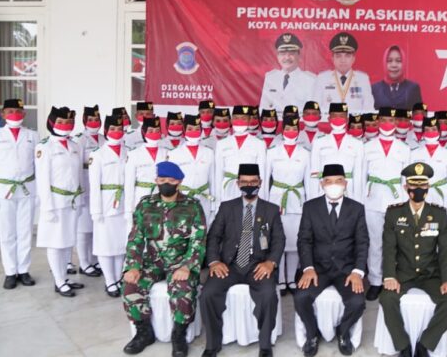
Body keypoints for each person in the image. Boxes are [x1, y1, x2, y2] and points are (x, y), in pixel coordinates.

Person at [122, 161, 207, 357]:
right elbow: (135, 238)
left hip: (180, 262)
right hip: (152, 261)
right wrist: (133, 266)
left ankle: (179, 335)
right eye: (161, 180)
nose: (165, 183)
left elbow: (198, 240)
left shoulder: (192, 206)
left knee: (184, 288)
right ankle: (144, 332)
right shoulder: (145, 204)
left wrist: (187, 266)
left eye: (170, 180)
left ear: (179, 182)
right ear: (156, 181)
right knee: (130, 285)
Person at [201, 163, 284, 357]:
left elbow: (279, 240)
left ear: (260, 183)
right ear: (238, 183)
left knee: (268, 295)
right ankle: (212, 344)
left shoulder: (271, 210)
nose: (249, 185)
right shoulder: (226, 207)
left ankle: (265, 345)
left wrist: (270, 262)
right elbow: (213, 237)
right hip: (229, 266)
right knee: (208, 294)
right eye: (244, 182)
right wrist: (214, 262)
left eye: (253, 182)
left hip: (258, 265)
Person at [379, 162, 447, 357]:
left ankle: (425, 344)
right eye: (413, 185)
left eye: (422, 185)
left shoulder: (439, 214)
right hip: (403, 273)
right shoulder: (394, 213)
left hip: (430, 274)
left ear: (428, 187)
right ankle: (403, 345)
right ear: (406, 187)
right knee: (387, 298)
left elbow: (445, 250)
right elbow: (389, 248)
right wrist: (389, 276)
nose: (418, 190)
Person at [295, 164, 369, 357]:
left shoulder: (357, 208)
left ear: (345, 183)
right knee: (301, 297)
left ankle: (343, 333)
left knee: (357, 301)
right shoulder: (310, 207)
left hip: (346, 270)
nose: (334, 185)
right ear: (322, 184)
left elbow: (362, 242)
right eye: (328, 181)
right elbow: (304, 240)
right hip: (318, 269)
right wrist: (308, 268)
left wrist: (357, 272)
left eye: (338, 181)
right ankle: (312, 334)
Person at [0, 98, 38, 289]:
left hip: (27, 189)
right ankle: (10, 272)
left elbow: (38, 166)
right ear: (3, 114)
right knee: (7, 234)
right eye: (10, 111)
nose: (15, 114)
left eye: (18, 111)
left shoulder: (32, 135)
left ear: (24, 114)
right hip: (3, 191)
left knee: (25, 232)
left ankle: (24, 270)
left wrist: (39, 193)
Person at [35, 106, 86, 297]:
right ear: (51, 123)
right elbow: (43, 179)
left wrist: (80, 199)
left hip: (72, 201)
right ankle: (58, 281)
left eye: (69, 122)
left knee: (67, 241)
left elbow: (79, 175)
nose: (65, 125)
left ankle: (64, 277)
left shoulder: (75, 146)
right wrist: (47, 207)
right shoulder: (45, 147)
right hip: (55, 202)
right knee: (55, 242)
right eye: (61, 122)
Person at [362, 107, 411, 300]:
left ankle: (393, 278)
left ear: (396, 122)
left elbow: (406, 179)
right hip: (372, 200)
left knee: (397, 243)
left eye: (391, 120)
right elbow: (361, 176)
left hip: (396, 200)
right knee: (375, 243)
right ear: (378, 121)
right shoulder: (367, 147)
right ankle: (375, 281)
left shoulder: (404, 148)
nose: (387, 124)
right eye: (383, 120)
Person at [263, 116, 311, 294]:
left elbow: (309, 181)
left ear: (298, 131)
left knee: (295, 241)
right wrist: (264, 204)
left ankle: (291, 278)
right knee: (278, 240)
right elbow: (265, 179)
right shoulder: (272, 152)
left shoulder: (305, 153)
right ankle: (281, 279)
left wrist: (310, 205)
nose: (291, 132)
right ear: (282, 131)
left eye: (294, 129)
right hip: (277, 200)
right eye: (288, 129)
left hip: (297, 201)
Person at [88, 113, 128, 297]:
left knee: (120, 244)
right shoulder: (97, 154)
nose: (117, 132)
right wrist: (96, 211)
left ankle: (119, 278)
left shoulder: (128, 152)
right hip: (105, 205)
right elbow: (94, 185)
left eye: (120, 129)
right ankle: (109, 280)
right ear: (106, 130)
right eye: (112, 128)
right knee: (105, 244)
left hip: (124, 203)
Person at [410, 116, 447, 241]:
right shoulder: (414, 154)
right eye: (427, 129)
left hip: (441, 201)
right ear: (423, 132)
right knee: (421, 238)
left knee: (439, 239)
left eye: (434, 129)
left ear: (439, 131)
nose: (431, 132)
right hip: (420, 199)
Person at [71, 105, 104, 277]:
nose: (94, 122)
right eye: (90, 119)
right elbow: (75, 166)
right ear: (84, 121)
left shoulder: (104, 138)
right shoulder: (79, 140)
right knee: (83, 229)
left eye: (97, 119)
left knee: (96, 228)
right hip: (84, 186)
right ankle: (83, 263)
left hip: (100, 188)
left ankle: (94, 259)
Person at [309, 103, 364, 201]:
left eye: (341, 116)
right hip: (325, 188)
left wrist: (358, 200)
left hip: (348, 190)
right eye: (334, 116)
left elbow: (358, 175)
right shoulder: (319, 142)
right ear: (329, 118)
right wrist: (314, 198)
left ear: (347, 119)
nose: (338, 119)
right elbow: (314, 173)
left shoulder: (357, 144)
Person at [168, 114, 216, 225]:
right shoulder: (174, 154)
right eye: (190, 129)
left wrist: (213, 206)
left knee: (203, 230)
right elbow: (171, 182)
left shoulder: (209, 152)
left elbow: (212, 180)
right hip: (182, 199)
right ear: (184, 130)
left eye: (197, 129)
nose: (194, 132)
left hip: (204, 198)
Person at [213, 105, 267, 203]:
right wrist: (217, 203)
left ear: (249, 120)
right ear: (231, 120)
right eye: (236, 118)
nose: (239, 121)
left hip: (249, 187)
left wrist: (262, 202)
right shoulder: (222, 144)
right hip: (227, 189)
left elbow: (261, 174)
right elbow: (218, 174)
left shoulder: (259, 144)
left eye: (243, 118)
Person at [124, 117, 169, 232]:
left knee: (159, 231)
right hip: (141, 196)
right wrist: (128, 210)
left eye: (157, 131)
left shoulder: (166, 153)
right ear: (143, 132)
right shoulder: (134, 154)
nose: (154, 134)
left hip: (161, 196)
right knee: (139, 231)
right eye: (150, 131)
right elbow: (129, 184)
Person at [315, 32, 374, 113]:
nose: (343, 60)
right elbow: (316, 109)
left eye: (347, 56)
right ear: (332, 58)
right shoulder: (322, 78)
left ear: (353, 59)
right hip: (329, 120)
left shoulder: (362, 79)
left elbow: (369, 109)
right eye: (338, 56)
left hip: (355, 121)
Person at [259, 33, 317, 115]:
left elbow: (312, 113)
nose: (287, 57)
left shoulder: (310, 80)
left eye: (291, 53)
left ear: (299, 55)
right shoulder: (270, 78)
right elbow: (263, 109)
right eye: (283, 53)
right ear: (277, 56)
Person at [371, 45, 422, 110]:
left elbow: (419, 114)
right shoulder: (374, 89)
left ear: (404, 63)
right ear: (384, 63)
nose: (394, 65)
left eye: (398, 61)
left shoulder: (413, 88)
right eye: (389, 61)